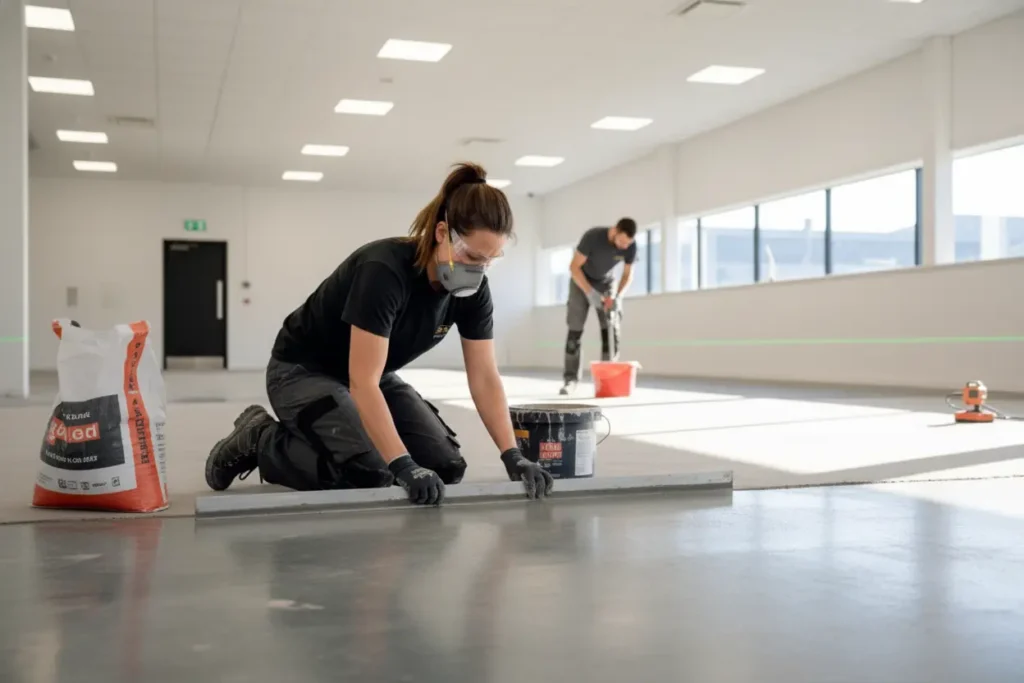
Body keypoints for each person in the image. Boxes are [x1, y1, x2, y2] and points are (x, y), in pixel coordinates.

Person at [205, 162, 554, 506]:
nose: (477, 270)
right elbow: (362, 381)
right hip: (303, 371)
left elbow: (484, 376)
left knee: (444, 468)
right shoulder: (384, 270)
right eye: (471, 256)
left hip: (374, 374)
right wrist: (402, 464)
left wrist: (513, 455)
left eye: (490, 261)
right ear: (442, 233)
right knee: (369, 473)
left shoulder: (475, 292)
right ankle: (262, 439)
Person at [560, 219, 637, 395]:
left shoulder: (630, 246)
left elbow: (627, 274)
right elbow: (573, 267)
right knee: (575, 329)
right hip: (581, 281)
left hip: (606, 282)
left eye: (628, 244)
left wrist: (618, 295)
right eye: (622, 241)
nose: (624, 247)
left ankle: (608, 379)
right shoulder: (593, 237)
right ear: (615, 231)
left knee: (610, 328)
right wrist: (591, 294)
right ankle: (570, 380)